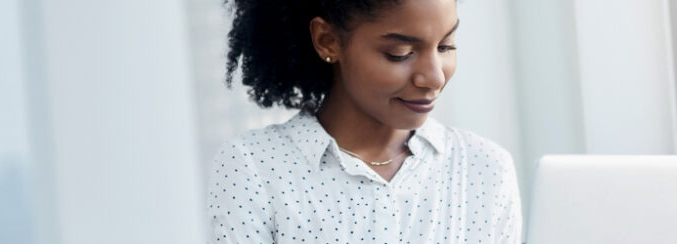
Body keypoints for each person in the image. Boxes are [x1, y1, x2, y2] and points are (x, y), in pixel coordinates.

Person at [206, 0, 522, 242]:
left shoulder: (484, 169)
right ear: (327, 40)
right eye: (401, 53)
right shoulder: (255, 167)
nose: (434, 77)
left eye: (446, 46)